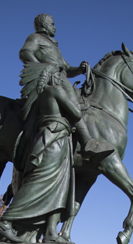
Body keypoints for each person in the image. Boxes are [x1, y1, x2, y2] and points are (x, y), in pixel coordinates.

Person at [0, 68, 81, 244]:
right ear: (53, 78)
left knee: (60, 187)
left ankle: (50, 232)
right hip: (54, 140)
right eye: (60, 78)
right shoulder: (54, 91)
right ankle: (6, 221)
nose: (64, 82)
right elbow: (77, 113)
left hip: (53, 139)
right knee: (40, 182)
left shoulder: (40, 97)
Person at [18, 14, 113, 160]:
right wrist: (45, 68)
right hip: (53, 79)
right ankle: (86, 141)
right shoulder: (35, 37)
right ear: (44, 26)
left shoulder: (53, 45)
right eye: (52, 24)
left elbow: (67, 69)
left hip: (60, 76)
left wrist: (80, 69)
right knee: (73, 100)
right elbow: (25, 52)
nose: (54, 27)